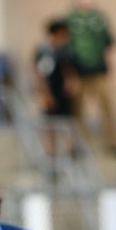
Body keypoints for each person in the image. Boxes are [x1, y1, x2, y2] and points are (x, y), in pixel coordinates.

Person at [66, 0, 116, 158]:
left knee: (108, 107)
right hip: (78, 72)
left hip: (100, 71)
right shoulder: (69, 20)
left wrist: (115, 70)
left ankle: (113, 143)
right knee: (78, 111)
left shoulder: (100, 19)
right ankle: (81, 146)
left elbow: (110, 46)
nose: (86, 0)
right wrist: (70, 75)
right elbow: (65, 50)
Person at [33, 18, 79, 159]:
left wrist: (71, 83)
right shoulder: (45, 52)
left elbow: (70, 70)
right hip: (51, 92)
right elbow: (40, 74)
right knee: (49, 124)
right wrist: (45, 94)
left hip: (63, 93)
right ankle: (50, 153)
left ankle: (71, 151)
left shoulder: (66, 51)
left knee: (67, 122)